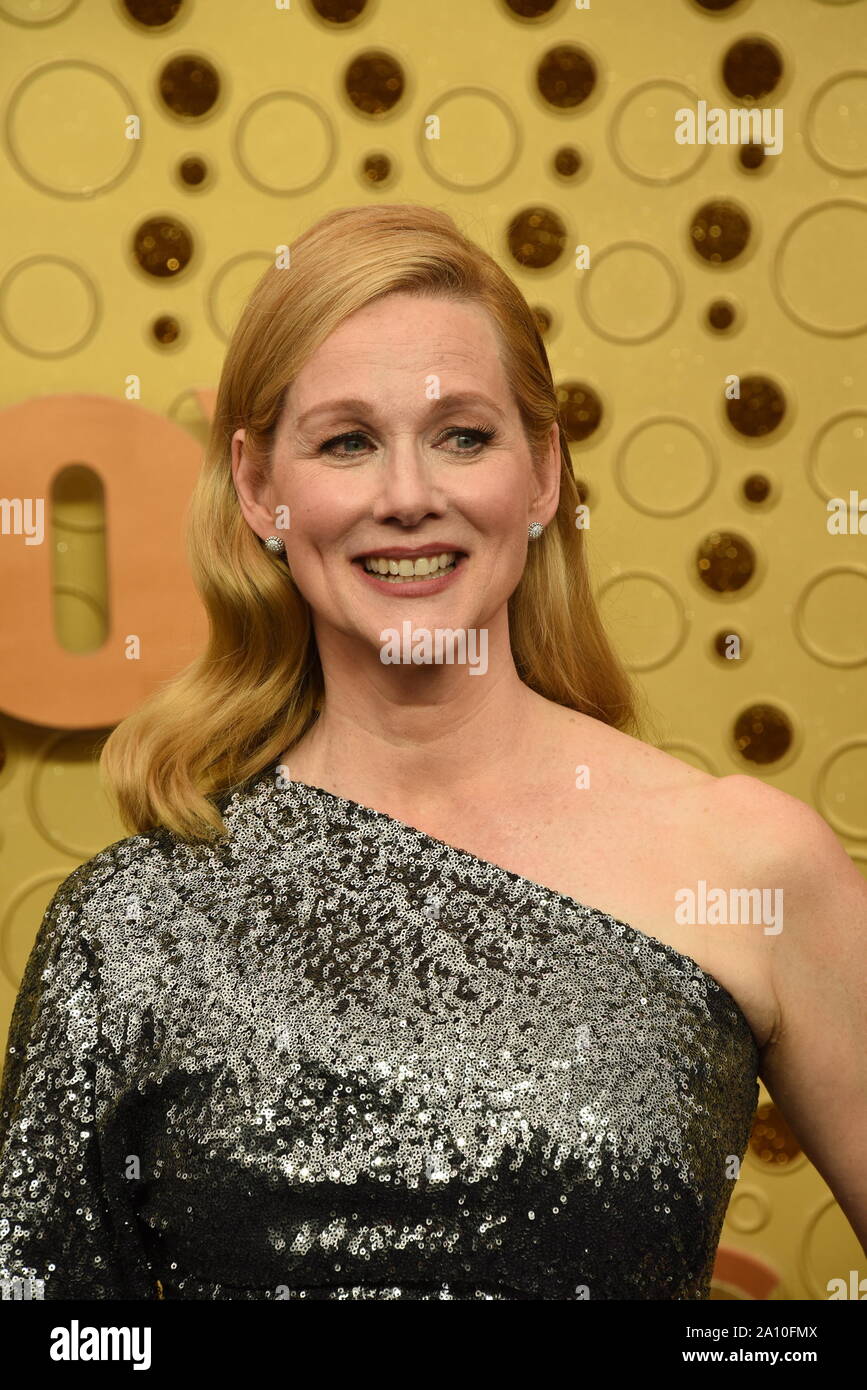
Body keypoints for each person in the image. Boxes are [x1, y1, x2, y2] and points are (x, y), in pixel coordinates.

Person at [1, 204, 864, 1301]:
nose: (408, 496)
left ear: (543, 474)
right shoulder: (129, 926)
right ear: (263, 489)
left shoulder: (751, 865)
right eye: (347, 440)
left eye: (463, 433)